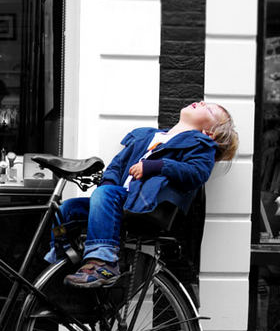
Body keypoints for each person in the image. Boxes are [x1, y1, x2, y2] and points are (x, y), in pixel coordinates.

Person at [46, 101, 239, 288]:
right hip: (118, 200)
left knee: (105, 195)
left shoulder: (200, 145)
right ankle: (61, 257)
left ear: (210, 133)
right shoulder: (145, 137)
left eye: (210, 110)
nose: (201, 103)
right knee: (67, 209)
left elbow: (197, 173)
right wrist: (107, 183)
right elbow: (117, 165)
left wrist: (155, 166)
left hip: (147, 204)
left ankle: (103, 264)